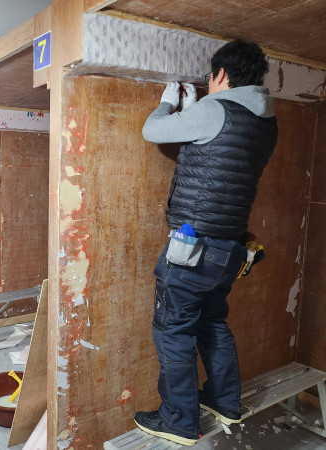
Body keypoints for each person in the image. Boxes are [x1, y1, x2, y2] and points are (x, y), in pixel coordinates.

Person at [134, 40, 278, 446]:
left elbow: (152, 131)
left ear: (221, 74)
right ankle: (223, 401)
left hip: (192, 251)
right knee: (212, 322)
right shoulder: (267, 123)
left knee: (173, 331)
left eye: (210, 77)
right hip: (230, 250)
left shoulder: (215, 111)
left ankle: (179, 421)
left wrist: (169, 104)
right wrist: (197, 109)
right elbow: (220, 153)